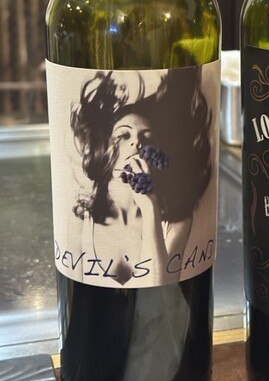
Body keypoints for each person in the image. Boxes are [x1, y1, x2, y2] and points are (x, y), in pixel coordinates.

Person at [69, 66, 213, 286]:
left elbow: (160, 287)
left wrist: (149, 206)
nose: (137, 142)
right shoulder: (80, 219)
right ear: (103, 150)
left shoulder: (177, 221)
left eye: (147, 137)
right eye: (123, 135)